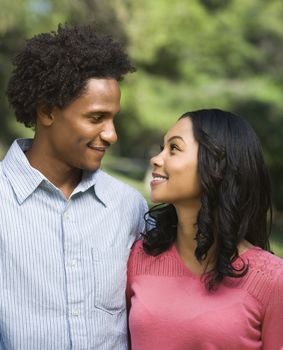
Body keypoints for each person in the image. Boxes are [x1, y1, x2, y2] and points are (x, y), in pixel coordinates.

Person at [0, 24, 147, 349]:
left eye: (113, 119)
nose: (111, 134)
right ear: (47, 112)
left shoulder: (130, 206)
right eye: (96, 118)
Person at [127, 109, 283, 350]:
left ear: (217, 166)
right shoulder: (139, 257)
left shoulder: (272, 279)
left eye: (174, 148)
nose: (157, 159)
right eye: (162, 147)